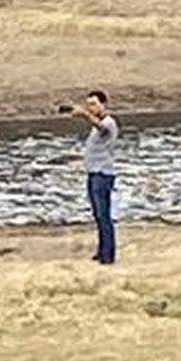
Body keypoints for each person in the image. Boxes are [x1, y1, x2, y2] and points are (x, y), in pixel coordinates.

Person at [60, 90, 120, 265]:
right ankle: (102, 251)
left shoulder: (109, 123)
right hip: (93, 173)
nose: (91, 108)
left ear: (104, 104)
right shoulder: (98, 124)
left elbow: (101, 128)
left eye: (94, 104)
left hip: (103, 174)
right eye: (89, 105)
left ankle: (108, 255)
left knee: (104, 215)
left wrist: (84, 115)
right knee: (98, 215)